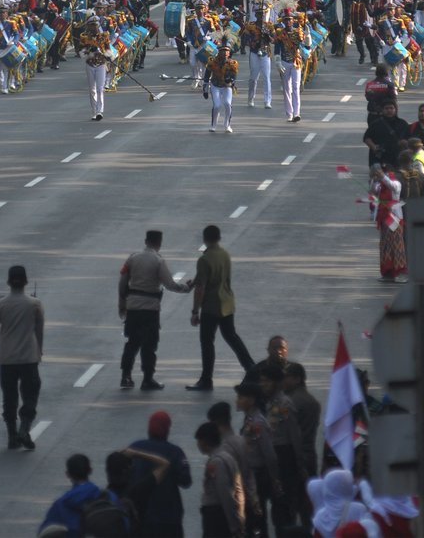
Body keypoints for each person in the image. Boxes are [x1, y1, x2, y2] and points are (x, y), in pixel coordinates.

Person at [0, 264, 44, 450]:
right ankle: (24, 429)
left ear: (9, 282)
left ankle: (12, 435)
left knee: (9, 396)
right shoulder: (35, 304)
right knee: (30, 394)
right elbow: (39, 332)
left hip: (7, 359)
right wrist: (39, 352)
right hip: (28, 358)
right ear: (26, 282)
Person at [118, 230, 192, 391]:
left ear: (145, 241)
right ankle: (147, 379)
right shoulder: (158, 261)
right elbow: (170, 284)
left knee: (132, 343)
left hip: (133, 308)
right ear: (159, 243)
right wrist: (186, 288)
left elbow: (122, 283)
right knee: (149, 345)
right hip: (150, 309)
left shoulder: (132, 258)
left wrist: (122, 305)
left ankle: (125, 376)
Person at [186, 225, 254, 391]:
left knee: (207, 342)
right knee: (232, 337)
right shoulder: (224, 254)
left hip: (211, 307)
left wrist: (195, 311)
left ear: (204, 238)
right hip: (227, 303)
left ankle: (206, 379)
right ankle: (251, 369)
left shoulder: (204, 259)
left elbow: (201, 287)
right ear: (219, 238)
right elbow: (211, 277)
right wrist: (195, 281)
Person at [129, 411, 192, 537]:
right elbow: (186, 481)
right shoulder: (175, 452)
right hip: (168, 518)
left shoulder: (135, 448)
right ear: (167, 430)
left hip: (141, 516)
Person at [259, 366, 305, 534]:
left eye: (266, 381)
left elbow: (295, 437)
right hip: (272, 458)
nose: (262, 385)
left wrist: (299, 464)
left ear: (277, 384)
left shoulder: (284, 405)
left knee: (283, 510)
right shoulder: (270, 403)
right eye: (261, 381)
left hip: (284, 458)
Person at [235, 381, 282, 538]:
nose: (238, 401)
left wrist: (274, 479)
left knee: (256, 519)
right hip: (249, 475)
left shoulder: (258, 423)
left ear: (252, 400)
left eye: (241, 397)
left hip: (257, 477)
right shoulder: (249, 420)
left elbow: (269, 454)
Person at [207, 401, 259, 525]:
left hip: (231, 505)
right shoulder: (241, 440)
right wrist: (253, 496)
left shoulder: (223, 449)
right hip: (246, 498)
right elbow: (249, 471)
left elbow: (224, 486)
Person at [195, 421, 245, 538]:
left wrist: (234, 526)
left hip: (216, 516)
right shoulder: (227, 457)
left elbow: (225, 494)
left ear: (204, 442)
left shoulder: (216, 462)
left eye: (198, 441)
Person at [38, 454, 105, 537]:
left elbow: (45, 533)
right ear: (90, 470)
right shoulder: (106, 497)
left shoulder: (60, 505)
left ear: (67, 474)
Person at [282, 362, 320, 479]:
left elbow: (290, 434)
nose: (282, 381)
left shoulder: (290, 402)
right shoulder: (311, 401)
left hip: (294, 458)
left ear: (297, 379)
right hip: (308, 456)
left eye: (285, 377)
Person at [371, 164, 408, 283]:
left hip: (395, 218)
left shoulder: (396, 184)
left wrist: (382, 176)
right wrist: (374, 179)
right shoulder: (380, 185)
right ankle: (387, 272)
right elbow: (372, 190)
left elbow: (391, 185)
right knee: (385, 246)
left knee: (397, 245)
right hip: (384, 218)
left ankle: (400, 272)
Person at [203, 40, 238, 134]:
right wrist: (205, 90)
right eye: (223, 51)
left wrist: (231, 81)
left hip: (227, 87)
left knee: (227, 104)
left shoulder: (232, 63)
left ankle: (227, 125)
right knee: (217, 105)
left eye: (227, 51)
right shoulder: (212, 62)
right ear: (219, 52)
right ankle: (213, 125)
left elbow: (234, 76)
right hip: (215, 86)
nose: (225, 53)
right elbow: (206, 77)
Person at [363, 99, 410, 168]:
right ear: (382, 110)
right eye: (386, 108)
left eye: (391, 108)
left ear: (395, 109)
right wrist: (374, 147)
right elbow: (366, 138)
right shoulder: (376, 124)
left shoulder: (402, 124)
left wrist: (404, 143)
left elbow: (409, 138)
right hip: (379, 159)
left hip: (397, 159)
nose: (389, 110)